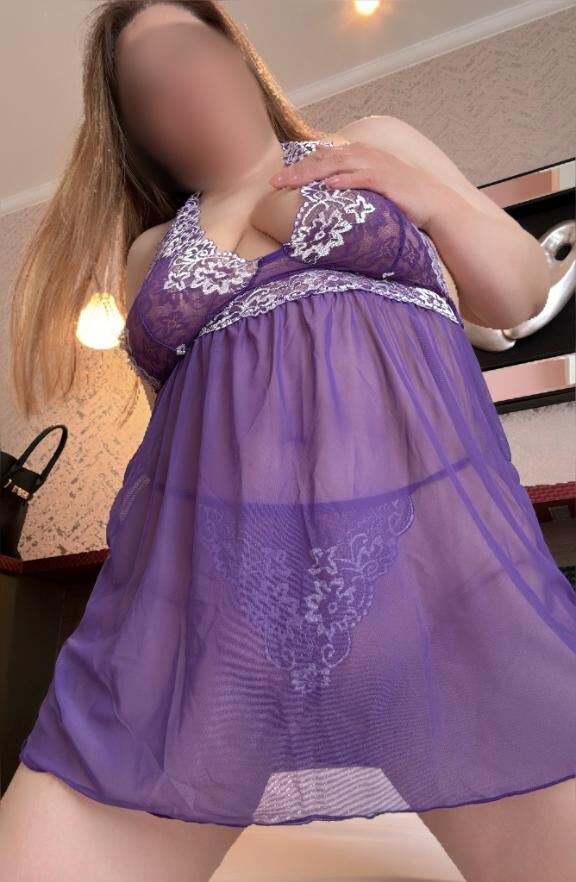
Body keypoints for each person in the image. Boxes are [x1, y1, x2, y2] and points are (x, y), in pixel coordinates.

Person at [2, 2, 575, 881]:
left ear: (239, 56)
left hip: (439, 588)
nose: (180, 88)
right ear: (137, 133)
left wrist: (419, 192)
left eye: (190, 54)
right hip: (227, 624)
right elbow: (184, 421)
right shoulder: (153, 249)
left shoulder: (373, 143)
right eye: (147, 91)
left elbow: (520, 289)